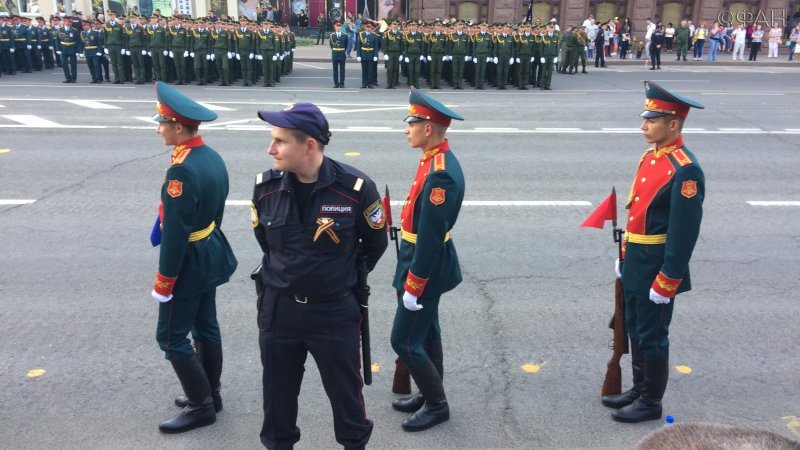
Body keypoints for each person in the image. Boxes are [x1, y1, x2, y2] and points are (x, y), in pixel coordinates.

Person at [252, 102, 388, 449]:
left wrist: (333, 278)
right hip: (279, 310)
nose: (271, 149)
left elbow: (374, 244)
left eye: (280, 141)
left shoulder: (356, 189)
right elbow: (267, 244)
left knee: (346, 397)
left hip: (333, 312)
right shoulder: (264, 189)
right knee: (276, 398)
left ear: (309, 144)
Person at [602, 80, 704, 424]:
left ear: (673, 124)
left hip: (658, 267)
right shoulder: (651, 157)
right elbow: (640, 211)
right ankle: (637, 388)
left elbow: (683, 232)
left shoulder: (685, 169)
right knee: (632, 327)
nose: (644, 126)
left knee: (652, 334)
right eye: (645, 119)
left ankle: (650, 401)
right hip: (635, 260)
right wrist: (626, 254)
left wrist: (669, 279)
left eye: (652, 120)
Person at [150, 81, 238, 434]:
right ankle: (210, 393)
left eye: (162, 123)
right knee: (206, 326)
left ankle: (202, 406)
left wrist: (164, 280)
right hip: (209, 250)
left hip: (188, 259)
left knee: (170, 337)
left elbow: (174, 232)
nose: (159, 129)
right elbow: (214, 211)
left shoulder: (181, 170)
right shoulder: (209, 155)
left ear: (179, 126)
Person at [390, 87, 465, 432]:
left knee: (403, 339)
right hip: (416, 256)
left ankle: (437, 405)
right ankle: (429, 392)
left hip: (425, 265)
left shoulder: (440, 173)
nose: (406, 129)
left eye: (411, 122)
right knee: (428, 331)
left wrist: (414, 284)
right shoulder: (433, 160)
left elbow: (432, 236)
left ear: (429, 127)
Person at [356, 21, 379, 88]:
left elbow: (376, 47)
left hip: (371, 54)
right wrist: (358, 55)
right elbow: (358, 46)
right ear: (365, 27)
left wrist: (375, 55)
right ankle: (364, 83)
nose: (369, 28)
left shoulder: (374, 35)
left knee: (370, 70)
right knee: (364, 70)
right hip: (363, 54)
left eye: (370, 27)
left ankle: (370, 83)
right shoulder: (361, 34)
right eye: (367, 26)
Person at [57, 17, 78, 83]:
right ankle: (68, 78)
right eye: (67, 22)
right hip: (63, 48)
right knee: (64, 64)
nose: (69, 23)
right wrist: (58, 49)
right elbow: (57, 40)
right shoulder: (60, 30)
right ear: (64, 22)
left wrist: (78, 51)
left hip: (72, 48)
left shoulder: (74, 30)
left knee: (73, 64)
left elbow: (77, 41)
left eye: (70, 22)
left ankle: (73, 78)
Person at [330, 20, 347, 87]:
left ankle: (342, 83)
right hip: (335, 54)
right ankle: (336, 83)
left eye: (340, 26)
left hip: (342, 54)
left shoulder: (345, 35)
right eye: (337, 26)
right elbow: (331, 46)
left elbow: (346, 45)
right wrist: (335, 50)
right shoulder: (332, 36)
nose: (338, 27)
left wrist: (341, 50)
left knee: (342, 70)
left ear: (341, 27)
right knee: (335, 70)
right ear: (334, 27)